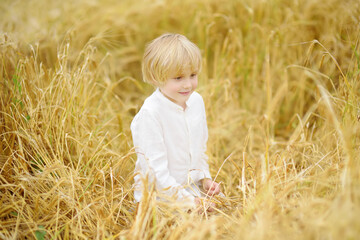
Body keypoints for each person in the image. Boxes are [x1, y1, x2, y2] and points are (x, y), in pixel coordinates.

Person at [131, 33, 220, 211]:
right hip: (159, 197)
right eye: (178, 78)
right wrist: (189, 203)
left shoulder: (196, 102)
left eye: (193, 75)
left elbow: (199, 150)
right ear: (157, 77)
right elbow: (155, 173)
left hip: (192, 189)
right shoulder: (150, 114)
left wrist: (205, 179)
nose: (187, 84)